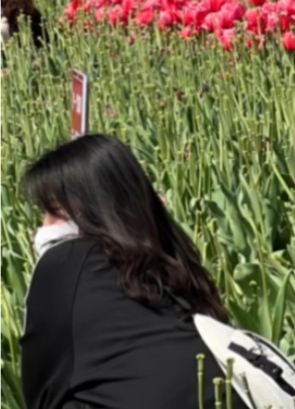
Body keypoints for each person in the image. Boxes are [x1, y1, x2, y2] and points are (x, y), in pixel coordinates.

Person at [21, 134, 229, 409]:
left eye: (55, 212)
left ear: (98, 211)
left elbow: (44, 388)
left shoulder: (65, 262)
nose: (45, 225)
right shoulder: (176, 259)